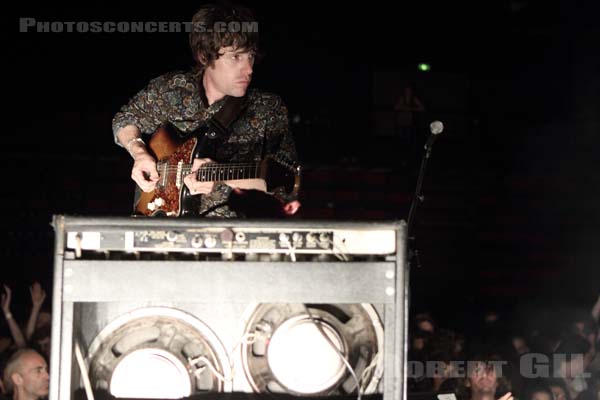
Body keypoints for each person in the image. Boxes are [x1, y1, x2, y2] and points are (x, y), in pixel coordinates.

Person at [112, 2, 300, 218]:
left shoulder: (267, 109)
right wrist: (139, 152)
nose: (248, 69)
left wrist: (222, 176)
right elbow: (125, 120)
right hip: (161, 226)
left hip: (229, 234)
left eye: (250, 56)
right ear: (204, 56)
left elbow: (286, 181)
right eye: (235, 57)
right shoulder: (172, 89)